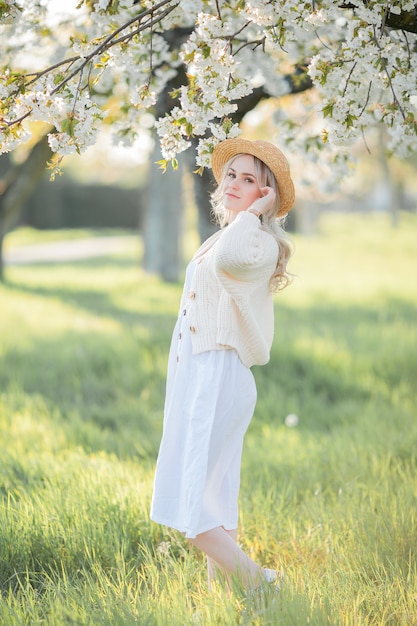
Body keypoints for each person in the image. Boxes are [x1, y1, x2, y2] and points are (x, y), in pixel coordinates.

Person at [150, 137, 295, 593]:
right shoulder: (224, 236)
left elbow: (232, 259)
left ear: (266, 194)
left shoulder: (258, 242)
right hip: (199, 374)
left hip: (221, 374)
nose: (234, 183)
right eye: (231, 174)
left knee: (194, 511)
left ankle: (262, 584)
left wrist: (253, 215)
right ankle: (223, 601)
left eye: (249, 179)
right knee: (213, 498)